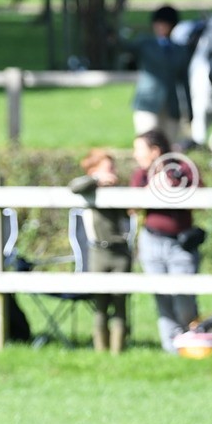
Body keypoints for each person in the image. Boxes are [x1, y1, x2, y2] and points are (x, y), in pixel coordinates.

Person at [131, 129, 200, 353]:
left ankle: (191, 343)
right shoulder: (141, 175)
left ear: (155, 151)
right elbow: (130, 207)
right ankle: (171, 349)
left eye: (138, 149)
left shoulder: (181, 168)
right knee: (162, 297)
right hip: (152, 242)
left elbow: (201, 195)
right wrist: (149, 191)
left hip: (180, 244)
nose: (135, 155)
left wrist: (174, 187)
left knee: (184, 298)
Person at [68, 149, 132, 353]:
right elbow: (74, 186)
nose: (112, 172)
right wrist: (96, 179)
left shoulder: (119, 190)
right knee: (100, 304)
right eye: (107, 168)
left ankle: (118, 349)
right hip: (98, 253)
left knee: (120, 303)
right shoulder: (88, 190)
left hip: (120, 253)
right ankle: (100, 349)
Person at [121, 5, 190, 138]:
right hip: (148, 101)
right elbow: (124, 47)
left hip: (170, 104)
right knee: (147, 140)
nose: (160, 27)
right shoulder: (145, 43)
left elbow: (184, 81)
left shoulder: (180, 50)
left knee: (169, 145)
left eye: (164, 24)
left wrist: (189, 111)